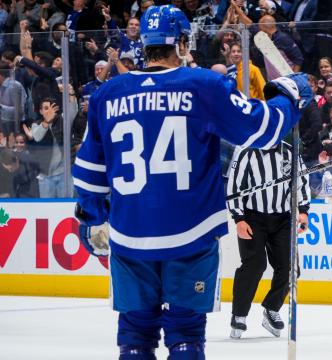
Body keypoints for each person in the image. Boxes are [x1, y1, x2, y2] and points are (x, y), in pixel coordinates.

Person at [71, 5, 311, 358]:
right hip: (191, 235)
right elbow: (263, 131)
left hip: (129, 235)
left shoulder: (109, 94)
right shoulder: (203, 85)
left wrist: (90, 219)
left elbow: (89, 173)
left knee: (134, 336)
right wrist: (291, 97)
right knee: (185, 334)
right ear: (182, 43)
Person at [226, 142, 311, 339]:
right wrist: (239, 218)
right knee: (255, 265)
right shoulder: (247, 152)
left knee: (291, 268)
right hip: (252, 217)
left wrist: (304, 211)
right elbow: (234, 185)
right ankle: (239, 315)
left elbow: (301, 181)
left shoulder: (291, 152)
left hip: (283, 218)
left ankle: (272, 308)